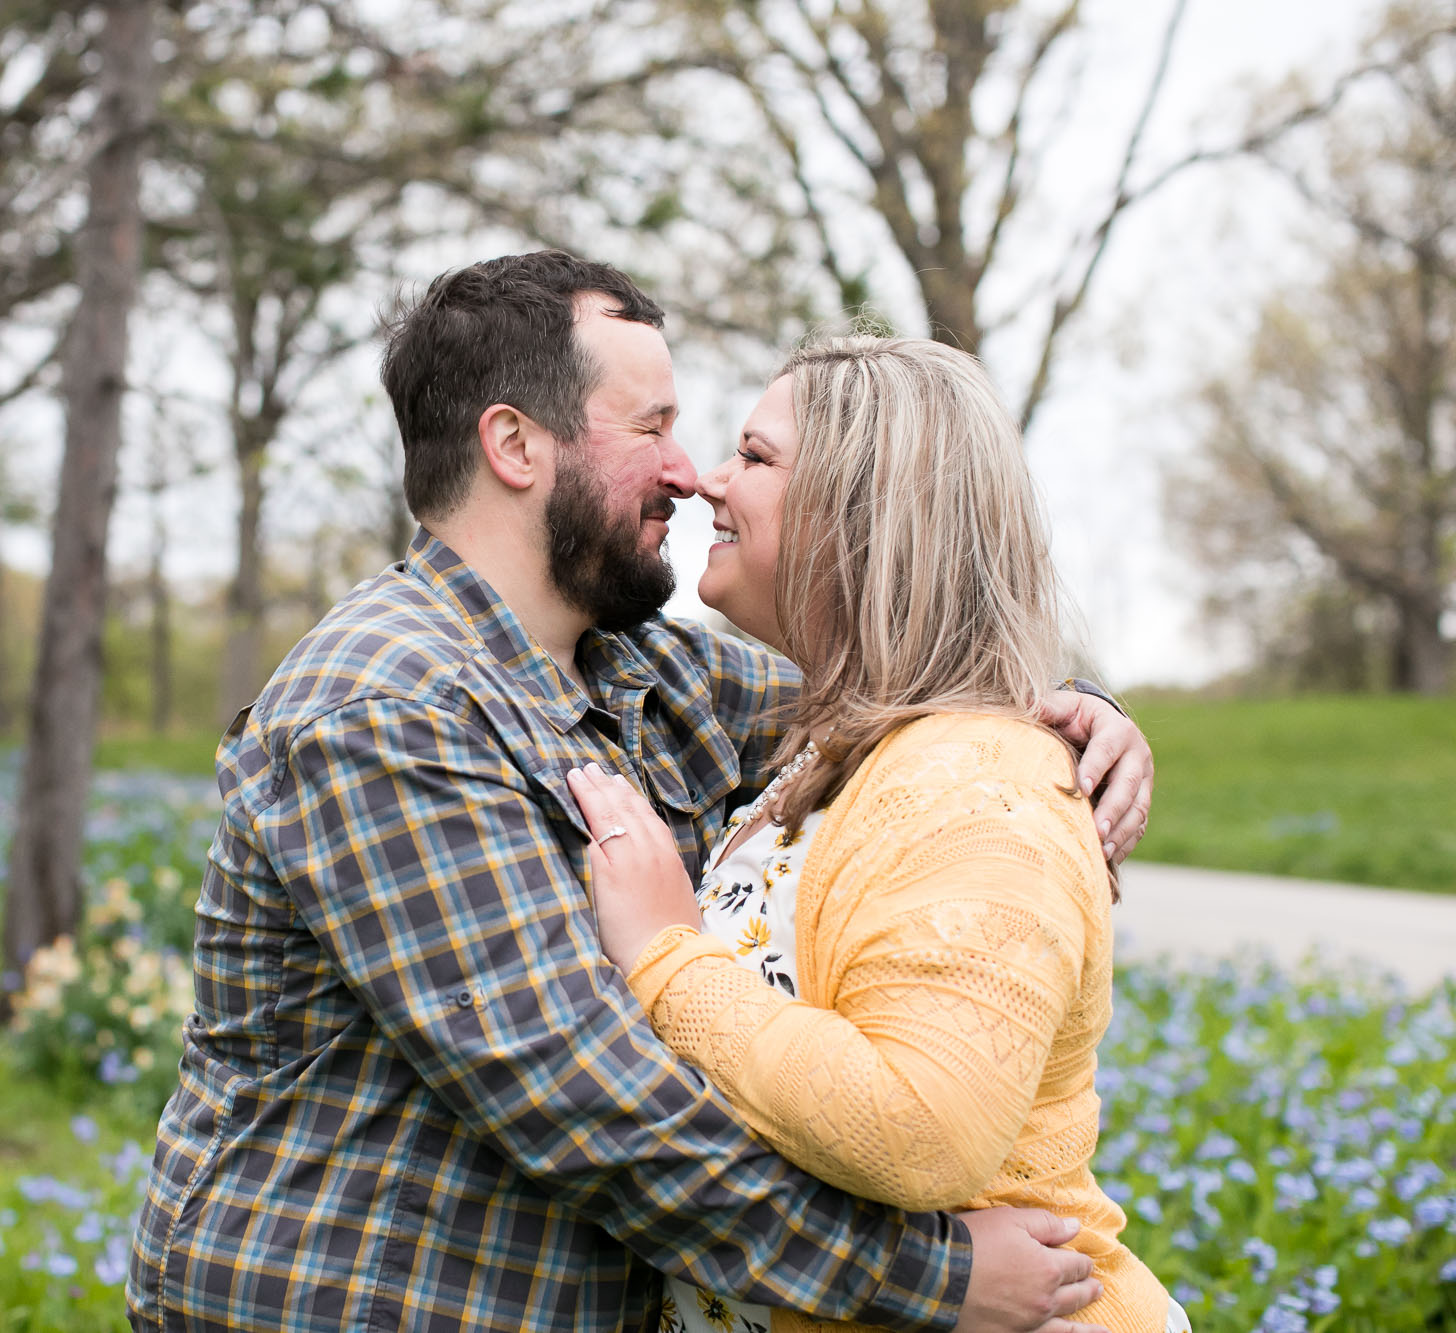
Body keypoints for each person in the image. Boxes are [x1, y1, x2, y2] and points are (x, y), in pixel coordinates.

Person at [127, 251, 1153, 1333]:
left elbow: (902, 688)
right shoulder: (386, 706)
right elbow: (587, 1099)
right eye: (650, 427)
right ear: (515, 445)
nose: (688, 470)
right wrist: (929, 1276)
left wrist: (1065, 710)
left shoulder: (645, 673)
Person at [563, 336, 1182, 1333]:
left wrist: (663, 957)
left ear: (863, 517)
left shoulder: (981, 780)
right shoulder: (834, 749)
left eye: (755, 457)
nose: (708, 482)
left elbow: (919, 1128)